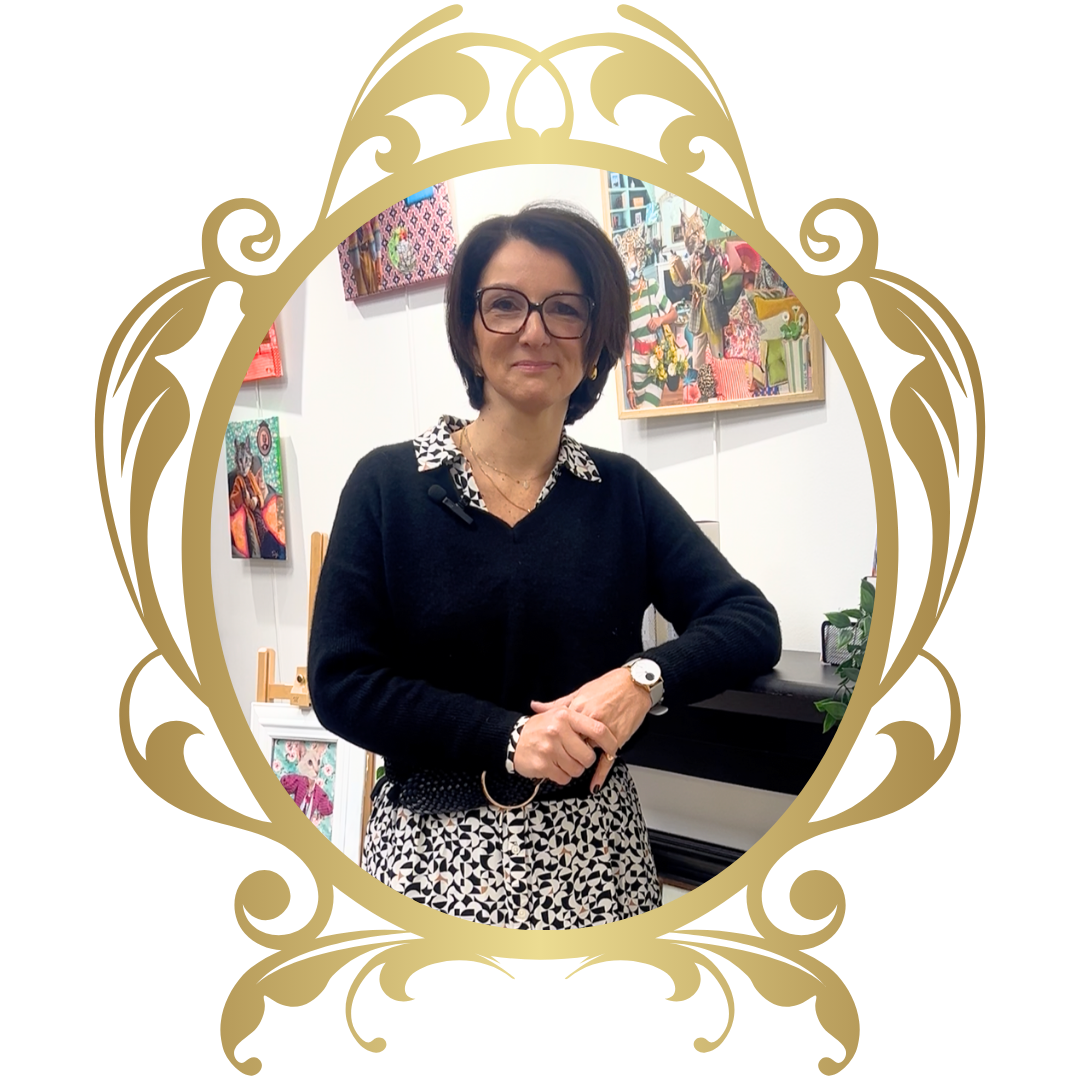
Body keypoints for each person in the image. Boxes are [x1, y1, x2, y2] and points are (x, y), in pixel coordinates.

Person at [308, 203, 782, 928]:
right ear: (469, 332)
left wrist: (642, 679)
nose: (534, 331)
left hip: (595, 863)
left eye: (564, 309)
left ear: (595, 340)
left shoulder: (620, 491)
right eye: (505, 305)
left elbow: (748, 621)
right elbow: (343, 682)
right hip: (430, 860)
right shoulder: (387, 485)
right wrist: (507, 738)